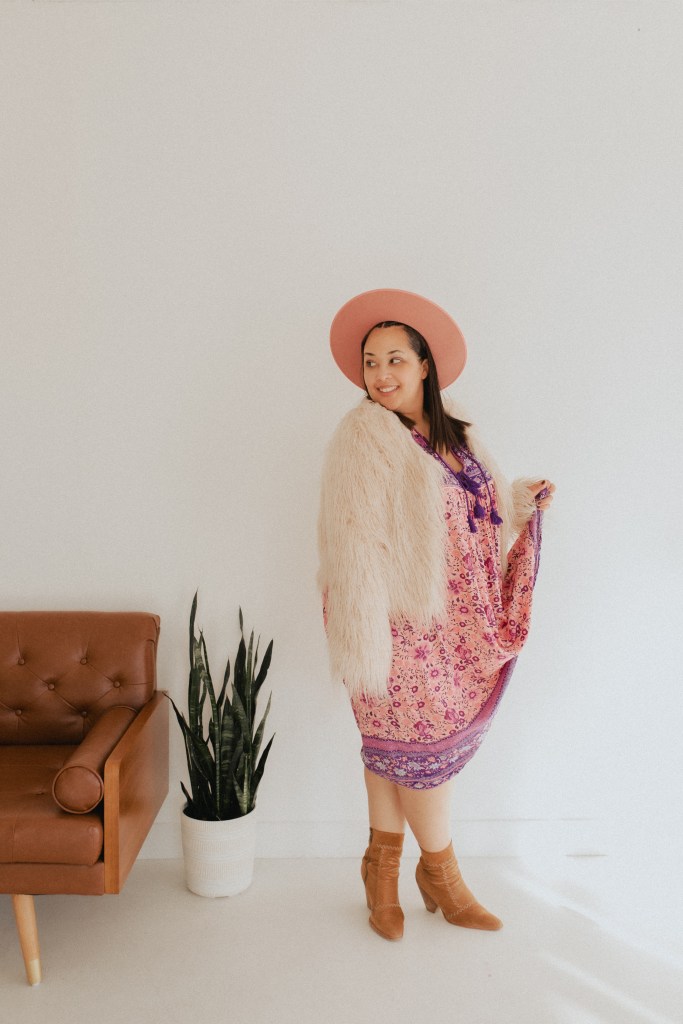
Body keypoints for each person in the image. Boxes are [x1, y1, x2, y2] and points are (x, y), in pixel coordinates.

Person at [317, 288, 555, 941]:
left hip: (459, 625)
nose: (381, 374)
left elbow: (480, 512)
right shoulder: (365, 435)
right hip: (398, 625)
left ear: (425, 365)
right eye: (370, 363)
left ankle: (380, 873)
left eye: (395, 359)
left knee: (397, 753)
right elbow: (352, 542)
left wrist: (522, 498)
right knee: (420, 755)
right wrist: (368, 640)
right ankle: (443, 879)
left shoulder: (459, 432)